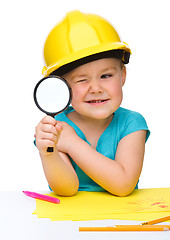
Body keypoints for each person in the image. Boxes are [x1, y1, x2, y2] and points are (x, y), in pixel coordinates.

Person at [34, 10, 150, 197]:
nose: (95, 88)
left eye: (106, 76)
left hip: (124, 220)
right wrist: (49, 154)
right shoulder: (58, 126)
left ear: (123, 76)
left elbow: (123, 184)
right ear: (61, 87)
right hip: (71, 221)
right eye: (82, 79)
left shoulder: (132, 123)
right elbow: (67, 189)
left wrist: (72, 143)